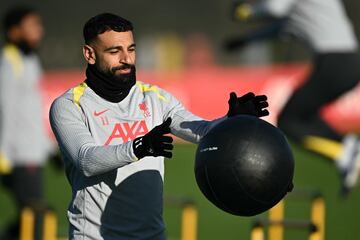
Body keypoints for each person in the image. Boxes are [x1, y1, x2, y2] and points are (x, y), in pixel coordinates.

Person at [49, 13, 269, 240]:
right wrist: (139, 147)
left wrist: (232, 121)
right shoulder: (69, 105)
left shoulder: (155, 98)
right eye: (115, 51)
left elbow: (201, 130)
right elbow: (86, 161)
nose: (127, 59)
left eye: (131, 49)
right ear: (90, 54)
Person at [227, 0, 360, 196]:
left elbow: (275, 8)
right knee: (300, 117)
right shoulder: (305, 7)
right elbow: (283, 28)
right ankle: (346, 148)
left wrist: (246, 12)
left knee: (289, 121)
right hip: (345, 63)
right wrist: (248, 39)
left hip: (336, 62)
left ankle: (345, 152)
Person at [0, 6, 52, 239]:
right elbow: (5, 111)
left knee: (28, 220)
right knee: (36, 221)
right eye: (32, 26)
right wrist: (3, 154)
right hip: (18, 156)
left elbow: (29, 114)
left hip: (31, 153)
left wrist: (48, 148)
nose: (38, 31)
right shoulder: (8, 63)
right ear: (13, 32)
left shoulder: (30, 61)